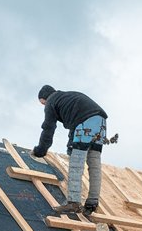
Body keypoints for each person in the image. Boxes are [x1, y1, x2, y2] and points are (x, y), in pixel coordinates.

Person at [32, 85, 109, 216]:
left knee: (76, 162)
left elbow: (48, 128)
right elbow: (74, 125)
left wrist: (40, 150)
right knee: (94, 163)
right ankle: (92, 203)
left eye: (42, 103)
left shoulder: (51, 101)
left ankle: (73, 202)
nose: (43, 106)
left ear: (44, 98)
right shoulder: (67, 97)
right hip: (100, 121)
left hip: (85, 122)